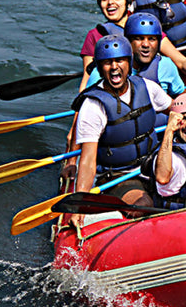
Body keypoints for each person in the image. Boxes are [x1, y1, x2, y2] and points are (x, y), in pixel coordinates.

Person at [69, 35, 172, 224]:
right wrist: (79, 206)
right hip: (118, 176)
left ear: (129, 63)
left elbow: (179, 110)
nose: (114, 67)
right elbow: (88, 161)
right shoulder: (93, 106)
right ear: (100, 68)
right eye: (107, 62)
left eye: (120, 60)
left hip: (153, 164)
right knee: (144, 205)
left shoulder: (147, 87)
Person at [79, 0, 186, 95]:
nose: (110, 3)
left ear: (128, 2)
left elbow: (180, 61)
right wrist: (80, 107)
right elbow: (87, 76)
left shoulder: (147, 27)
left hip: (152, 88)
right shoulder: (95, 35)